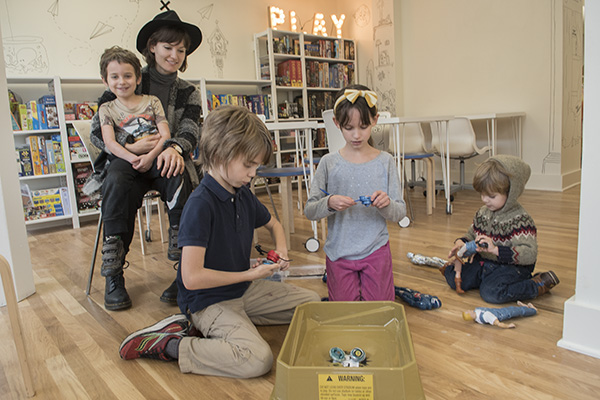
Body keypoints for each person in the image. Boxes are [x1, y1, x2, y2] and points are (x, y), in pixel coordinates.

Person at [118, 105, 320, 378]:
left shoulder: (243, 193)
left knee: (312, 304)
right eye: (249, 165)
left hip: (243, 290)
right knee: (257, 360)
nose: (254, 173)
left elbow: (274, 225)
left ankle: (232, 326)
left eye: (257, 165)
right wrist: (249, 273)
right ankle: (172, 344)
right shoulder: (200, 205)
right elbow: (191, 279)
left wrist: (281, 251)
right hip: (207, 302)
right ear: (220, 153)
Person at [88, 10, 203, 311]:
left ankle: (184, 273)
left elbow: (192, 129)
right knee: (116, 182)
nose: (175, 54)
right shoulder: (128, 77)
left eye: (181, 49)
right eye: (168, 47)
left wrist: (174, 148)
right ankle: (113, 273)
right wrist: (134, 145)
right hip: (128, 162)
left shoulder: (189, 91)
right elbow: (98, 133)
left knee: (183, 178)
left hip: (166, 159)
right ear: (152, 46)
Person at [304, 84, 406, 301]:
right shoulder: (328, 163)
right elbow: (310, 210)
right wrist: (329, 202)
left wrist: (386, 204)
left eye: (364, 126)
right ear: (336, 123)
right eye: (349, 128)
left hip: (376, 251)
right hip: (339, 253)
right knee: (345, 315)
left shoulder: (385, 162)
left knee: (380, 311)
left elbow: (399, 213)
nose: (357, 135)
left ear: (375, 120)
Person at [440, 155, 560, 303]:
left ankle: (536, 285)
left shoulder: (520, 220)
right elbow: (472, 233)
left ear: (510, 193)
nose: (484, 199)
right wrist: (461, 242)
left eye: (491, 195)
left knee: (491, 293)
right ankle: (484, 279)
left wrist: (496, 250)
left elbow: (529, 254)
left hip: (511, 267)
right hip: (485, 263)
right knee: (453, 278)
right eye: (482, 194)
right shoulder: (483, 212)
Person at [97, 46, 171, 191]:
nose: (122, 82)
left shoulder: (153, 101)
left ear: (138, 78)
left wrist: (149, 157)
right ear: (105, 80)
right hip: (125, 159)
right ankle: (115, 215)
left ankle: (180, 214)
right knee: (115, 178)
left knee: (174, 170)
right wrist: (132, 158)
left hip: (155, 155)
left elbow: (165, 134)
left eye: (127, 76)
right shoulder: (106, 109)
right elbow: (109, 141)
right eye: (114, 77)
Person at [463, 301, 537, 328]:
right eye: (468, 312)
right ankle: (533, 310)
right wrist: (508, 326)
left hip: (498, 310)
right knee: (517, 311)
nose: (469, 310)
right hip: (502, 314)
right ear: (471, 316)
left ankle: (526, 307)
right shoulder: (485, 316)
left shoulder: (476, 311)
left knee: (512, 308)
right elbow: (497, 323)